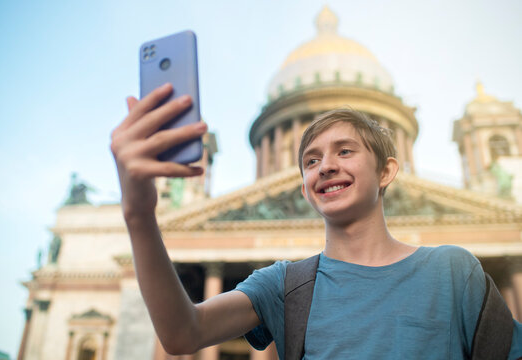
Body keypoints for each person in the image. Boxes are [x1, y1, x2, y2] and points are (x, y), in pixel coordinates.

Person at [111, 83, 522, 359]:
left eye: (345, 151)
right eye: (311, 159)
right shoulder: (285, 285)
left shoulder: (453, 271)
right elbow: (183, 333)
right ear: (305, 189)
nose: (326, 166)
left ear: (387, 171)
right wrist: (139, 213)